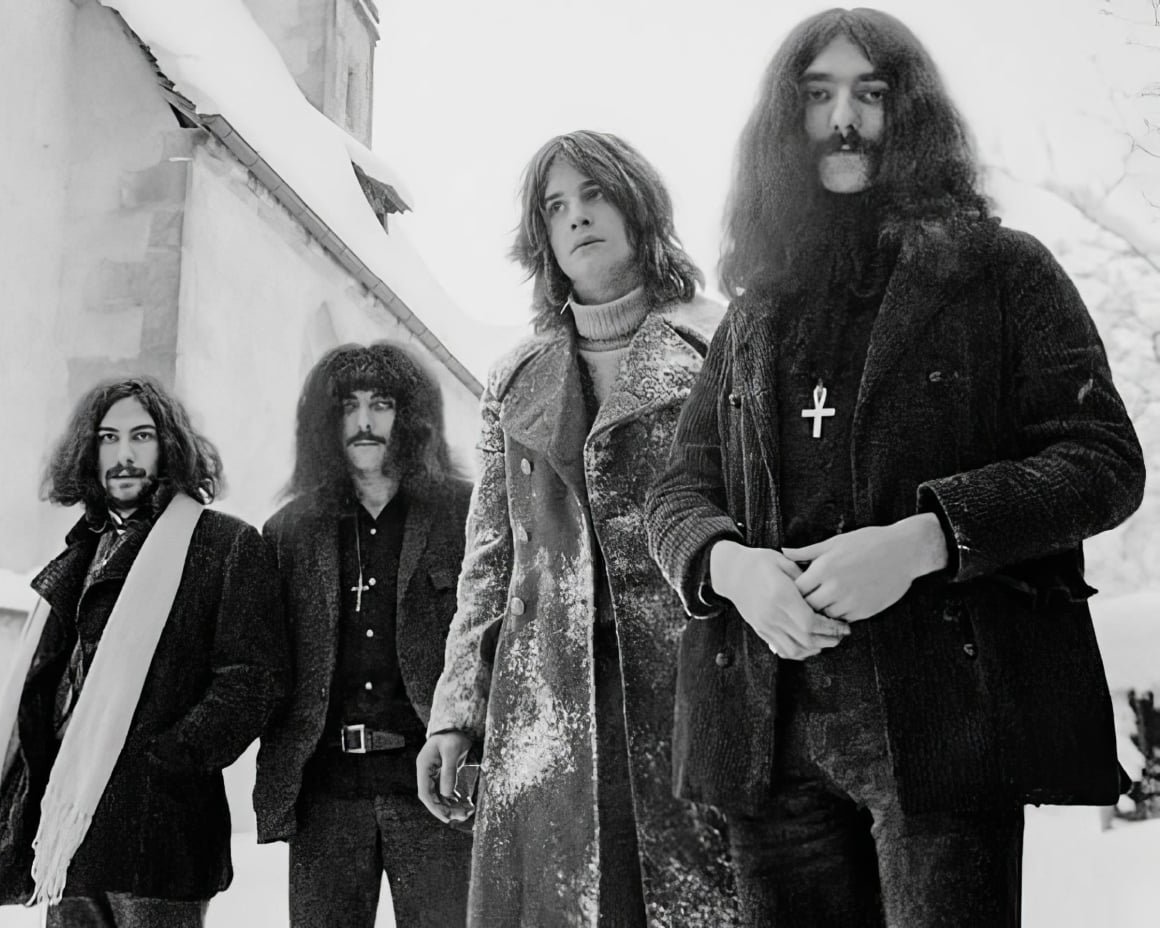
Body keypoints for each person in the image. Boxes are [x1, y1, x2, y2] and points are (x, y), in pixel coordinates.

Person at [644, 8, 1146, 927]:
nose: (845, 119)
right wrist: (731, 566)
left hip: (943, 724)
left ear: (909, 112)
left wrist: (926, 539)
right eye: (818, 95)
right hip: (769, 733)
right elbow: (679, 488)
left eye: (870, 94)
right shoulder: (756, 307)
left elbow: (1102, 461)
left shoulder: (1004, 273)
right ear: (785, 121)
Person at [417, 130, 738, 927]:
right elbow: (491, 561)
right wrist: (457, 713)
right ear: (543, 239)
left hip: (690, 677)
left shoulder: (721, 343)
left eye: (594, 195)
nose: (577, 217)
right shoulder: (515, 376)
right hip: (547, 698)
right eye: (556, 207)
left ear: (637, 206)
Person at [0, 377, 287, 927]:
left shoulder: (225, 544)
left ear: (170, 447)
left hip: (160, 836)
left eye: (142, 436)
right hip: (70, 839)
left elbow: (253, 680)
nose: (124, 455)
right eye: (108, 438)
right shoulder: (81, 552)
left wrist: (169, 760)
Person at [255, 343, 472, 927]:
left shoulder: (466, 515)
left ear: (411, 416)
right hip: (325, 795)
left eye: (381, 404)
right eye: (348, 406)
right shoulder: (288, 532)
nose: (364, 422)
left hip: (435, 787)